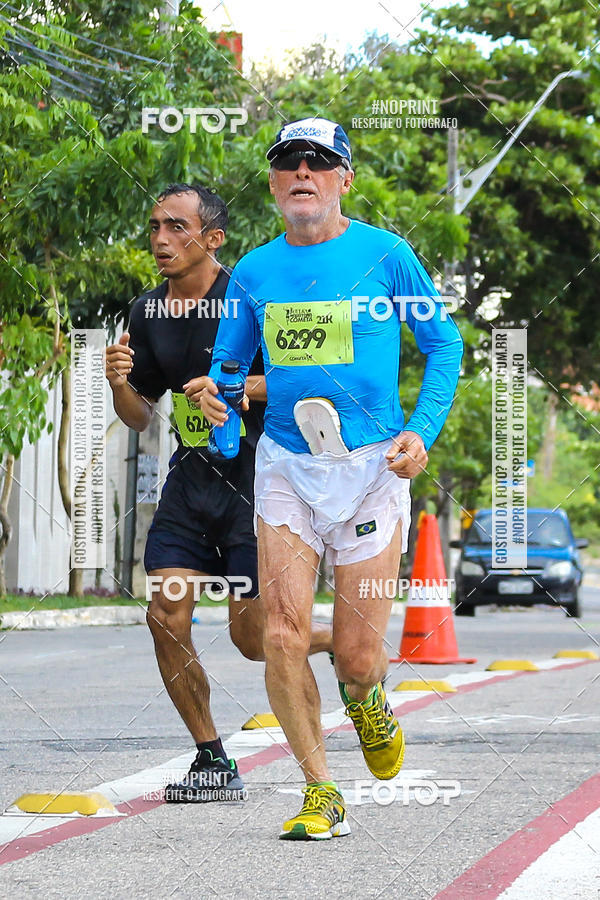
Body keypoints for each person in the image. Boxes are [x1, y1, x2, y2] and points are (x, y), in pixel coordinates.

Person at [200, 118, 464, 839]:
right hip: (287, 464)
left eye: (319, 162)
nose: (303, 173)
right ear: (274, 182)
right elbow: (229, 367)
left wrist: (421, 431)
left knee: (355, 656)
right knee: (282, 633)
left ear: (344, 178)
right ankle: (320, 792)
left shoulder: (386, 255)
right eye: (289, 163)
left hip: (373, 470)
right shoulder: (252, 272)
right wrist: (220, 405)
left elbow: (444, 344)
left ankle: (368, 698)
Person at [105, 183, 332, 804]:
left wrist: (235, 392)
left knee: (253, 639)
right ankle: (211, 759)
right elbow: (138, 416)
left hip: (260, 477)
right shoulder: (147, 312)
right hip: (191, 477)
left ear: (213, 238)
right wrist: (121, 382)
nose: (160, 240)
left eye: (177, 227)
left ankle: (340, 640)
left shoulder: (253, 296)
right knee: (164, 614)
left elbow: (302, 381)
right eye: (154, 227)